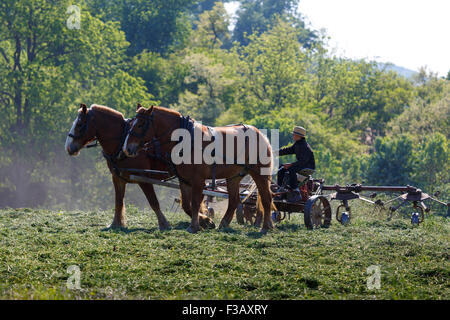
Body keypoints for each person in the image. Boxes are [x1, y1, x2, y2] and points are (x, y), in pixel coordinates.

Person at [276, 126, 315, 202]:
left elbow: (303, 161)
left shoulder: (304, 146)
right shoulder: (298, 144)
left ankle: (296, 191)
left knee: (291, 169)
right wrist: (274, 152)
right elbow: (287, 150)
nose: (292, 136)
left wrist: (291, 164)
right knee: (281, 168)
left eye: (294, 134)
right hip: (302, 165)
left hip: (308, 167)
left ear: (299, 136)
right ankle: (280, 189)